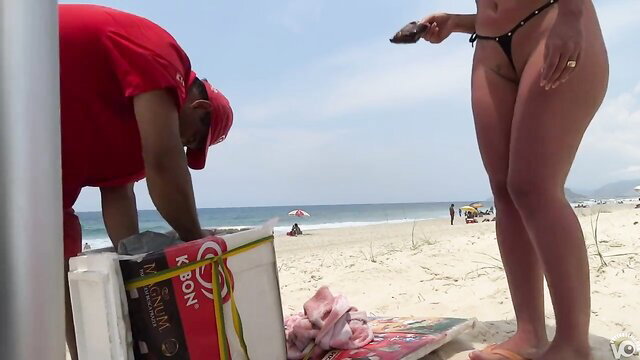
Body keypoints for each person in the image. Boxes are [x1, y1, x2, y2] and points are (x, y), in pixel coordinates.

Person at [419, 1, 607, 359]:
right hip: (489, 44)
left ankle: (572, 343)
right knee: (504, 192)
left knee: (534, 187)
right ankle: (530, 334)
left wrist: (571, 15)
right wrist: (457, 22)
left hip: (551, 17)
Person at [59, 5, 233, 359]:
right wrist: (196, 243)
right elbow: (164, 163)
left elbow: (119, 192)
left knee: (58, 239)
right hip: (17, 54)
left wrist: (134, 263)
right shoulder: (161, 53)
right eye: (189, 142)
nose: (181, 147)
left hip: (30, 158)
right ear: (197, 109)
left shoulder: (126, 129)